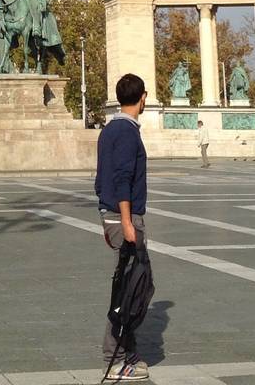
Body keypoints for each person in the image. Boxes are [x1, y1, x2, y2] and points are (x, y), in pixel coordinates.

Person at [94, 73, 149, 381]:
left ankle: (128, 353)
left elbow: (101, 179)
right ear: (142, 97)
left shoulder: (109, 129)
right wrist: (126, 221)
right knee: (130, 291)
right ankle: (113, 359)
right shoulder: (127, 133)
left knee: (133, 286)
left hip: (112, 214)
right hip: (125, 218)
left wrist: (105, 212)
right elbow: (121, 179)